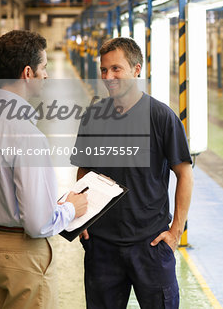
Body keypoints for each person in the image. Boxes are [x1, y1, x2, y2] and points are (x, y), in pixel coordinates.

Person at [0, 30, 88, 309]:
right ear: (28, 72)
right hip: (22, 255)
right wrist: (70, 210)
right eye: (43, 67)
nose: (46, 75)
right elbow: (38, 223)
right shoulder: (26, 135)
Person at [71, 37, 193, 309]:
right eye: (104, 70)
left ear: (137, 70)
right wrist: (84, 218)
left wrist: (176, 232)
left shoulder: (161, 116)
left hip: (150, 244)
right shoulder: (93, 116)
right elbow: (83, 169)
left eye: (116, 69)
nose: (108, 76)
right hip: (102, 245)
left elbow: (184, 174)